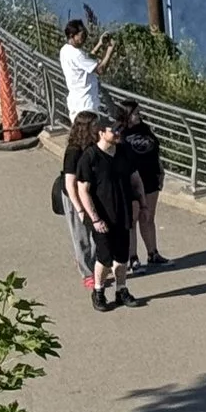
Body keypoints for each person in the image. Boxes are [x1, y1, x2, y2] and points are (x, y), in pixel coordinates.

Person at [74, 117, 141, 311]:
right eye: (114, 131)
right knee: (104, 258)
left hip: (123, 214)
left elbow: (134, 179)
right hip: (102, 218)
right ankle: (98, 291)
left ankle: (122, 290)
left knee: (122, 258)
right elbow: (82, 190)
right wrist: (95, 218)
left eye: (119, 130)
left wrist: (141, 203)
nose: (118, 134)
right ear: (101, 133)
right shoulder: (90, 157)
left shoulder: (122, 153)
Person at [114, 100, 167, 269]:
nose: (139, 116)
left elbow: (154, 149)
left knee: (148, 217)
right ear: (127, 115)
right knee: (132, 220)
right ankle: (132, 257)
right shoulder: (119, 132)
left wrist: (160, 170)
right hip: (132, 181)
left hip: (150, 177)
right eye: (136, 113)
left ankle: (153, 253)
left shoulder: (144, 128)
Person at [57, 111, 99, 290]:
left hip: (92, 193)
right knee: (81, 234)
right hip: (74, 196)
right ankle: (87, 272)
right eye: (96, 125)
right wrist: (80, 209)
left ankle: (97, 264)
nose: (99, 128)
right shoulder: (73, 151)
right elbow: (70, 184)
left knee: (98, 231)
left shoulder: (95, 145)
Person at [57, 18, 113, 122]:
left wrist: (100, 44)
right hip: (86, 105)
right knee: (88, 136)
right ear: (72, 36)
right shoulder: (77, 54)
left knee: (80, 135)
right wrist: (110, 50)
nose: (84, 39)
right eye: (82, 36)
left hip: (76, 102)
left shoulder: (65, 50)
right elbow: (100, 70)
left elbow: (85, 61)